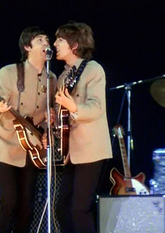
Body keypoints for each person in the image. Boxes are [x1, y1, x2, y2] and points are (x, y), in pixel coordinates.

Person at [0, 26, 57, 232]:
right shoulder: (9, 73)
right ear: (27, 47)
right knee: (9, 203)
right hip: (4, 146)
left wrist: (47, 126)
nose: (47, 43)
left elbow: (47, 114)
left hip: (31, 149)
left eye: (47, 40)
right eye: (40, 41)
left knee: (27, 208)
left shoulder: (51, 79)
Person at [53, 21, 112, 233]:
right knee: (61, 208)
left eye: (60, 40)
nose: (55, 43)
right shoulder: (62, 77)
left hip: (91, 149)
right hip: (70, 151)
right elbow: (63, 116)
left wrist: (73, 106)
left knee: (79, 209)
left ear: (75, 45)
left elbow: (96, 107)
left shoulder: (93, 70)